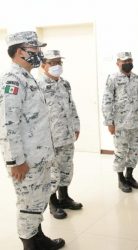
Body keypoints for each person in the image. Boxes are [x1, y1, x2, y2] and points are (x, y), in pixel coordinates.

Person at [0, 31, 65, 249]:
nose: (40, 54)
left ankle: (38, 238)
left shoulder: (27, 77)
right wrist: (15, 161)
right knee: (28, 204)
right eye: (36, 49)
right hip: (26, 161)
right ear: (20, 51)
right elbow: (8, 125)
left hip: (39, 156)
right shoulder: (12, 80)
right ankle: (30, 245)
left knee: (37, 202)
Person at [37, 50, 82, 220]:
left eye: (59, 63)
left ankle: (64, 197)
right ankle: (53, 202)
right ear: (43, 65)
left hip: (67, 134)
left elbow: (72, 106)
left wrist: (76, 126)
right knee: (52, 172)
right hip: (50, 138)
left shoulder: (65, 84)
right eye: (52, 63)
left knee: (66, 168)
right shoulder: (38, 85)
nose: (56, 66)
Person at [102, 52, 138, 193]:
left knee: (134, 151)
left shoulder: (137, 79)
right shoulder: (112, 78)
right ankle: (121, 179)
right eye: (124, 61)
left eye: (129, 60)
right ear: (118, 63)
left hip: (136, 123)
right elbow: (107, 101)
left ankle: (130, 176)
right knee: (121, 153)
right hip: (120, 124)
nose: (127, 63)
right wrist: (109, 122)